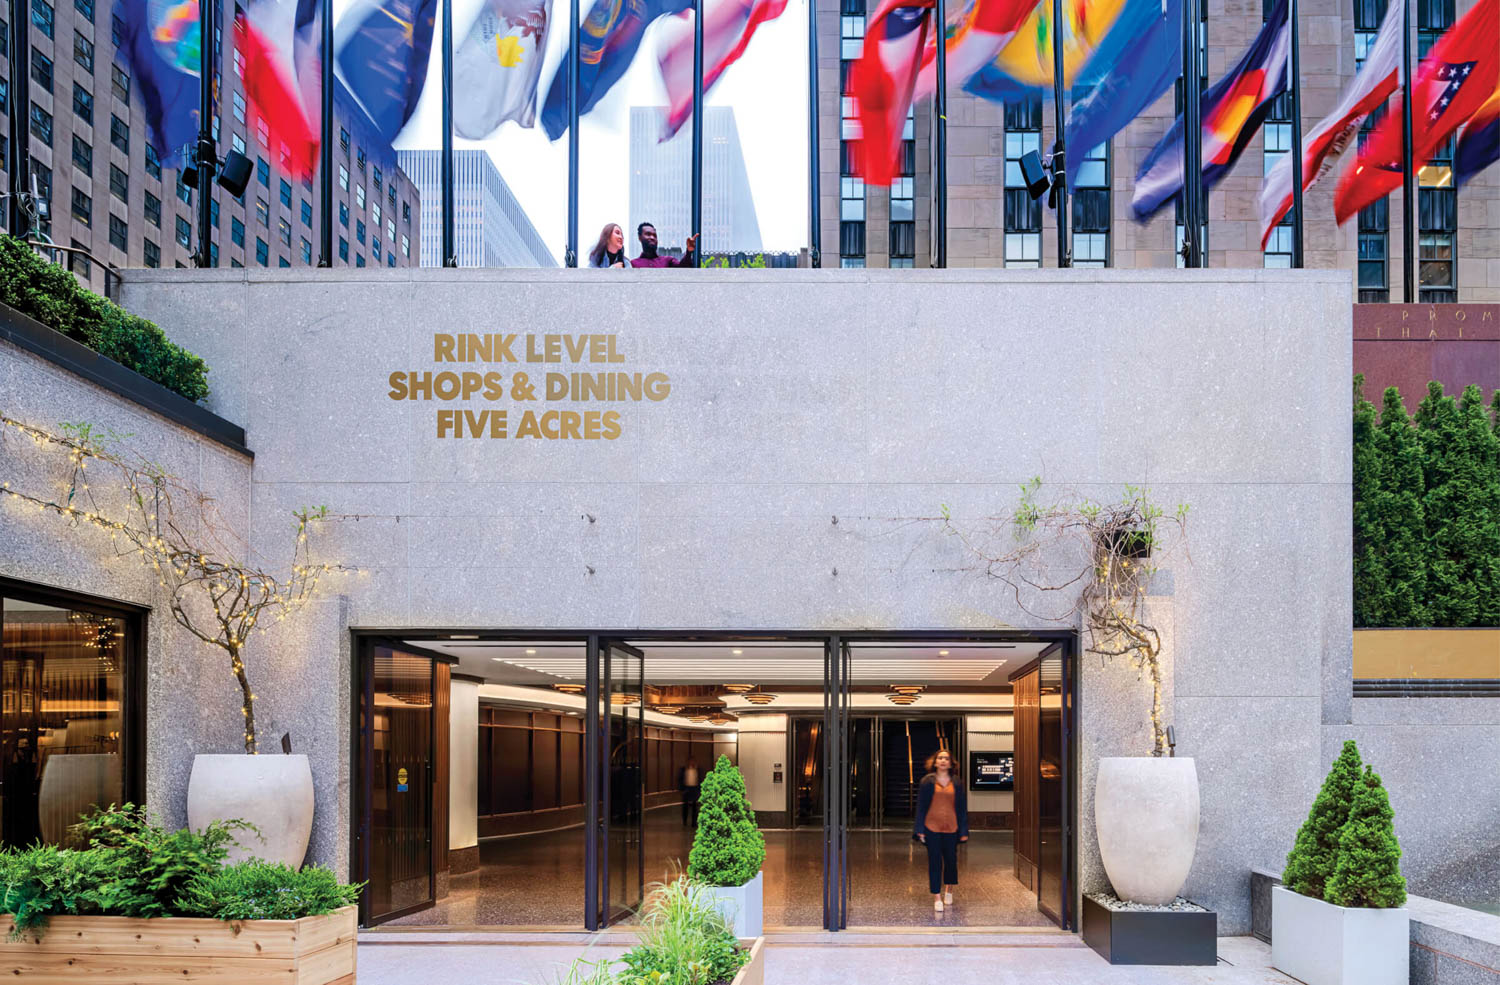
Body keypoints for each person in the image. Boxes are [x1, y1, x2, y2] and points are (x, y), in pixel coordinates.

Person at [913, 748, 968, 912]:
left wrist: (964, 830)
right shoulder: (927, 782)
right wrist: (920, 829)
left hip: (952, 828)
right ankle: (937, 896)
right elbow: (921, 807)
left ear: (951, 763)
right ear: (935, 762)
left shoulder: (957, 782)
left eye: (946, 758)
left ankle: (949, 889)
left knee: (951, 861)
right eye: (940, 758)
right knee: (935, 862)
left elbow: (961, 808)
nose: (943, 761)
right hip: (932, 827)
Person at [632, 223, 698, 268]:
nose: (652, 237)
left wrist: (689, 251)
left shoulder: (668, 261)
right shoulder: (633, 264)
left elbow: (683, 268)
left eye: (655, 236)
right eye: (648, 234)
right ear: (639, 237)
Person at [678, 756, 702, 826]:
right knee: (685, 807)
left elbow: (700, 780)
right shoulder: (683, 769)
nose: (691, 762)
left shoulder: (698, 770)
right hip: (687, 789)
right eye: (690, 761)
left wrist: (699, 790)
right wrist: (682, 789)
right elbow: (680, 779)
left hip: (694, 789)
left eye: (693, 761)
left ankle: (694, 822)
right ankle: (685, 821)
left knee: (695, 807)